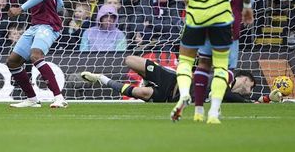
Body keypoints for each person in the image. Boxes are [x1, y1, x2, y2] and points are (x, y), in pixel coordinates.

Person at [192, 0, 256, 121]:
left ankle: (198, 106)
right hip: (230, 22)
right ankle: (215, 104)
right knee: (226, 67)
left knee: (203, 63)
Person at [6, 0, 67, 108]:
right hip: (37, 24)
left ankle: (59, 98)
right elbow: (59, 4)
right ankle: (32, 100)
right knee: (13, 61)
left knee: (35, 55)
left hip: (47, 25)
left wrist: (22, 8)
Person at [80, 56, 274, 104]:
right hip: (171, 79)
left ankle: (101, 79)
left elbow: (248, 102)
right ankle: (146, 78)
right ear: (244, 78)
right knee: (130, 60)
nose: (249, 90)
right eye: (251, 86)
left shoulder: (230, 97)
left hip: (170, 97)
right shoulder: (227, 75)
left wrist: (267, 99)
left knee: (141, 93)